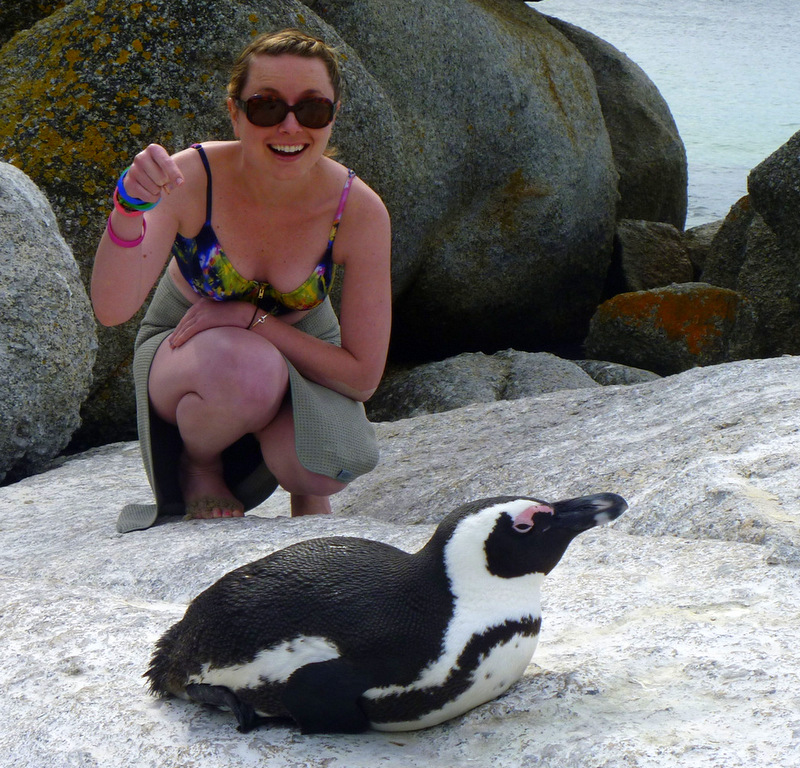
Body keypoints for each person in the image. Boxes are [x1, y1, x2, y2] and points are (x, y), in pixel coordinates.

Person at [91, 29, 391, 531]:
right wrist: (128, 209)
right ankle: (199, 464)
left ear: (333, 115)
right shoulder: (190, 179)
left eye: (312, 109)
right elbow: (111, 308)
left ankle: (300, 489)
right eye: (267, 107)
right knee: (248, 370)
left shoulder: (357, 210)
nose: (290, 126)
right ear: (235, 111)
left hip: (296, 350)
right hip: (187, 348)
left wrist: (250, 318)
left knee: (321, 468)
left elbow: (362, 376)